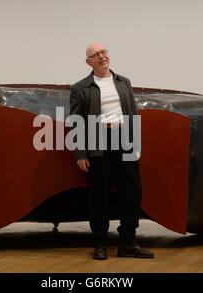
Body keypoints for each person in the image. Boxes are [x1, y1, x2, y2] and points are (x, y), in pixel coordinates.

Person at [69, 42, 154, 260]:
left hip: (124, 139)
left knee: (132, 191)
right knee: (99, 195)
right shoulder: (80, 88)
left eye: (103, 52)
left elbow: (133, 114)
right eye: (95, 55)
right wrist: (80, 153)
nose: (101, 57)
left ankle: (128, 242)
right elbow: (76, 122)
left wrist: (136, 145)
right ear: (89, 62)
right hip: (97, 141)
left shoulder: (124, 82)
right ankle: (100, 243)